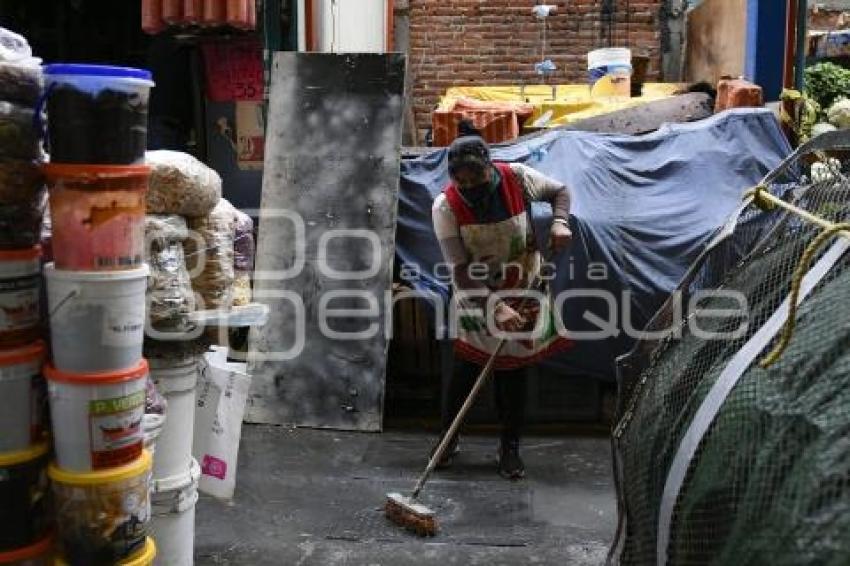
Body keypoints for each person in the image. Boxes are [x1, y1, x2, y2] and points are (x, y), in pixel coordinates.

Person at [431, 135, 574, 480]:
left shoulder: (518, 178)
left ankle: (509, 448)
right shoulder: (446, 207)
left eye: (475, 178)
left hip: (524, 289)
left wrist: (560, 221)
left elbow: (561, 191)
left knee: (513, 371)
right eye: (459, 179)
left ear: (490, 167)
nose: (468, 186)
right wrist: (494, 307)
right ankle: (447, 441)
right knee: (465, 371)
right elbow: (460, 271)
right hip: (476, 294)